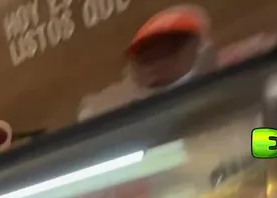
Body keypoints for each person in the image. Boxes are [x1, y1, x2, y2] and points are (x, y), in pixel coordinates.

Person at [78, 5, 215, 121]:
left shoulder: (217, 90)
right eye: (147, 58)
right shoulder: (128, 117)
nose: (158, 64)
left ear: (197, 49)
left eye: (168, 50)